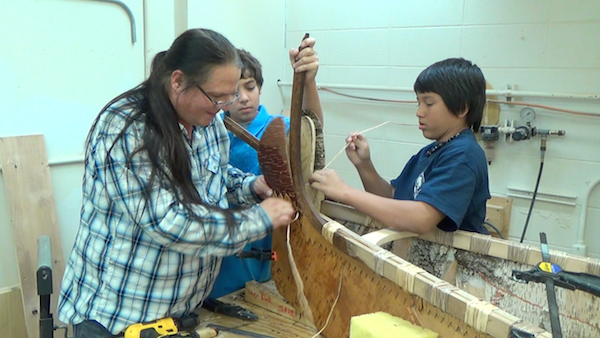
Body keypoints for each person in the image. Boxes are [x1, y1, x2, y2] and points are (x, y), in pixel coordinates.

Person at [57, 28, 295, 337]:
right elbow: (170, 223)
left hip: (177, 318)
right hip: (117, 319)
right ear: (178, 81)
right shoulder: (128, 129)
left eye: (231, 95)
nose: (224, 105)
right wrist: (259, 219)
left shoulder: (209, 121)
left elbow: (215, 177)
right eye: (216, 96)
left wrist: (251, 187)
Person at [309, 58, 490, 235]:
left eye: (429, 103)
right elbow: (392, 197)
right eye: (419, 102)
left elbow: (422, 218)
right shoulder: (431, 152)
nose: (419, 112)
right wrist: (364, 165)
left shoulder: (464, 155)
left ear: (461, 108)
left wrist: (345, 192)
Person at [209, 39, 322, 299]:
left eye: (250, 87)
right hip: (225, 246)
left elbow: (311, 132)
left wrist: (308, 82)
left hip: (269, 242)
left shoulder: (277, 127)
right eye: (235, 92)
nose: (244, 98)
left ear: (260, 87)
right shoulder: (211, 131)